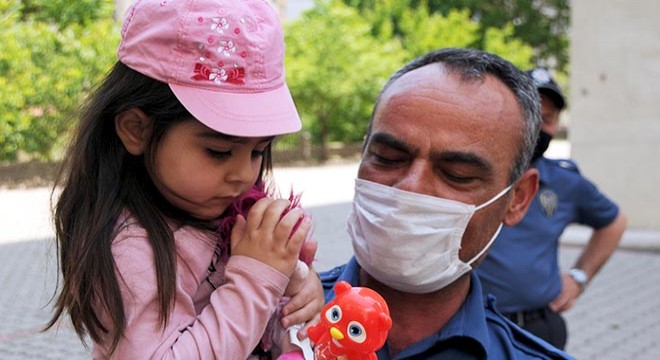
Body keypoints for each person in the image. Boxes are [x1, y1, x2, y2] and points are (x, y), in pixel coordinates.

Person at [44, 0, 323, 358]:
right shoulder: (133, 251)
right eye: (219, 152)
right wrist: (256, 278)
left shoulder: (221, 216)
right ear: (136, 130)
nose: (243, 174)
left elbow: (261, 322)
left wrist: (294, 287)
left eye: (257, 151)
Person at [319, 48, 574, 359]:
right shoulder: (259, 318)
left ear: (517, 199)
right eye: (388, 158)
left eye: (458, 174)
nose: (411, 187)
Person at [476, 67, 627, 350]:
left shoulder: (564, 182)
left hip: (538, 327)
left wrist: (579, 278)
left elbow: (614, 222)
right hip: (476, 324)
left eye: (548, 119)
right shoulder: (471, 173)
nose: (539, 128)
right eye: (532, 115)